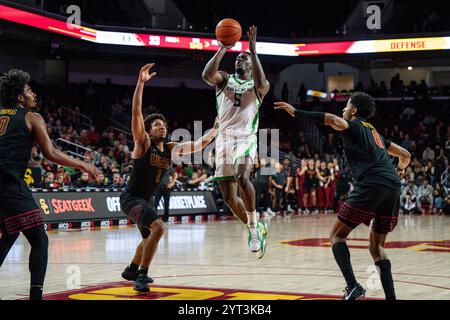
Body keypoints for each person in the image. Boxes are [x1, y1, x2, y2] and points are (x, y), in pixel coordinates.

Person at [275, 92, 411, 300]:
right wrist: (400, 170)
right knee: (377, 246)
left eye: (347, 106)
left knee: (337, 235)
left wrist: (296, 112)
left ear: (354, 110)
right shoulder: (377, 135)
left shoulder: (354, 125)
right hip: (392, 186)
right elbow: (406, 155)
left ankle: (353, 286)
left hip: (372, 183)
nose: (344, 109)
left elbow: (332, 119)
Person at [0, 69, 100, 300]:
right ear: (19, 97)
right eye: (28, 90)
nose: (33, 94)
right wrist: (82, 164)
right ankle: (36, 296)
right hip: (8, 183)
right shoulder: (31, 117)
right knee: (39, 239)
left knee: (9, 233)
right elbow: (51, 152)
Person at [120, 64, 218, 292]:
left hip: (148, 199)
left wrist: (215, 131)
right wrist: (141, 82)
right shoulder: (143, 143)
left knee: (147, 238)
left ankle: (132, 269)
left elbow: (197, 145)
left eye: (163, 125)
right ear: (148, 129)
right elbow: (136, 113)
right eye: (156, 125)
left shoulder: (171, 147)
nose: (162, 127)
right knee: (159, 228)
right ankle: (142, 276)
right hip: (132, 199)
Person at [202, 25, 270, 259]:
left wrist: (253, 50)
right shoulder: (224, 80)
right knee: (229, 197)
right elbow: (207, 76)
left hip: (245, 138)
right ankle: (255, 228)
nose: (239, 60)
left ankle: (253, 223)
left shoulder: (260, 86)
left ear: (251, 65)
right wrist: (222, 48)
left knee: (242, 176)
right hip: (223, 139)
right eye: (238, 58)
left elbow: (262, 84)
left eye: (243, 58)